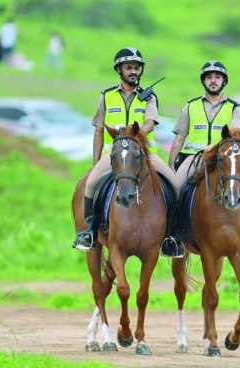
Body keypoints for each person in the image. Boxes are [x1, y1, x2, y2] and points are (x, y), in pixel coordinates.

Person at [73, 47, 185, 258]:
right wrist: (95, 161)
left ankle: (172, 236)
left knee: (176, 185)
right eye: (129, 68)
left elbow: (151, 123)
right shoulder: (106, 96)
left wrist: (133, 138)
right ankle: (88, 231)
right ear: (120, 70)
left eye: (136, 68)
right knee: (90, 184)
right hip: (112, 154)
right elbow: (98, 130)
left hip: (145, 153)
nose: (133, 71)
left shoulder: (149, 98)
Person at [168, 60, 240, 259]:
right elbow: (180, 137)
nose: (213, 80)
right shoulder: (190, 106)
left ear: (224, 81)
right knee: (176, 187)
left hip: (224, 157)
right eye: (209, 77)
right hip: (192, 157)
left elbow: (237, 131)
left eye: (217, 77)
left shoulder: (234, 107)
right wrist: (171, 163)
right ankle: (173, 238)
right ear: (203, 81)